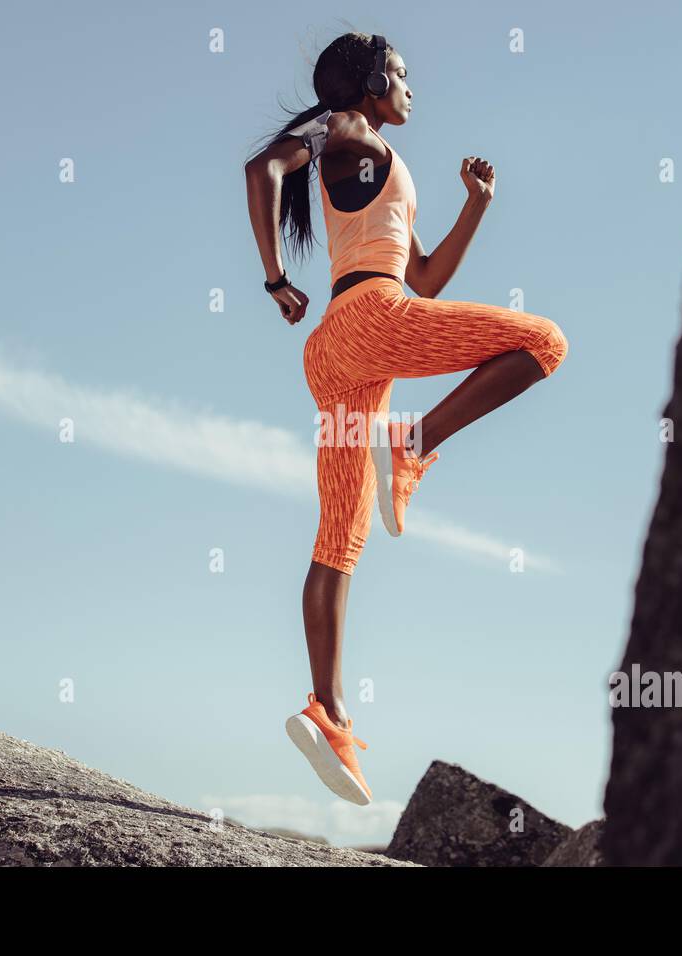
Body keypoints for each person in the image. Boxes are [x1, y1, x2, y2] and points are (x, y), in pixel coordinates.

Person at [243, 32, 568, 805]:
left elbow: (423, 277)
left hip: (341, 348)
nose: (412, 87)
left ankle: (327, 710)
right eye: (402, 74)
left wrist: (477, 207)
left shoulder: (375, 157)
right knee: (544, 342)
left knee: (340, 539)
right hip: (368, 323)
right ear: (366, 82)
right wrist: (273, 280)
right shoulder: (339, 128)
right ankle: (414, 441)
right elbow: (261, 168)